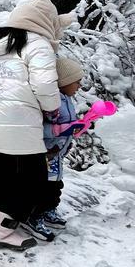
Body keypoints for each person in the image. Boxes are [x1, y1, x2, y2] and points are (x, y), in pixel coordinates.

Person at [0, 0, 74, 250]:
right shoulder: (38, 44)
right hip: (18, 127)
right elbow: (44, 86)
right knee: (31, 180)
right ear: (46, 22)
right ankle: (2, 231)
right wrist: (51, 110)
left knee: (3, 176)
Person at [40, 55, 84, 230]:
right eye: (76, 81)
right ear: (63, 81)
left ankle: (50, 210)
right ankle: (37, 213)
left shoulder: (68, 99)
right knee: (43, 185)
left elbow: (67, 122)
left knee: (56, 184)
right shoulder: (52, 101)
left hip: (58, 152)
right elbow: (39, 127)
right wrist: (59, 130)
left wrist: (74, 129)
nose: (79, 86)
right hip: (46, 152)